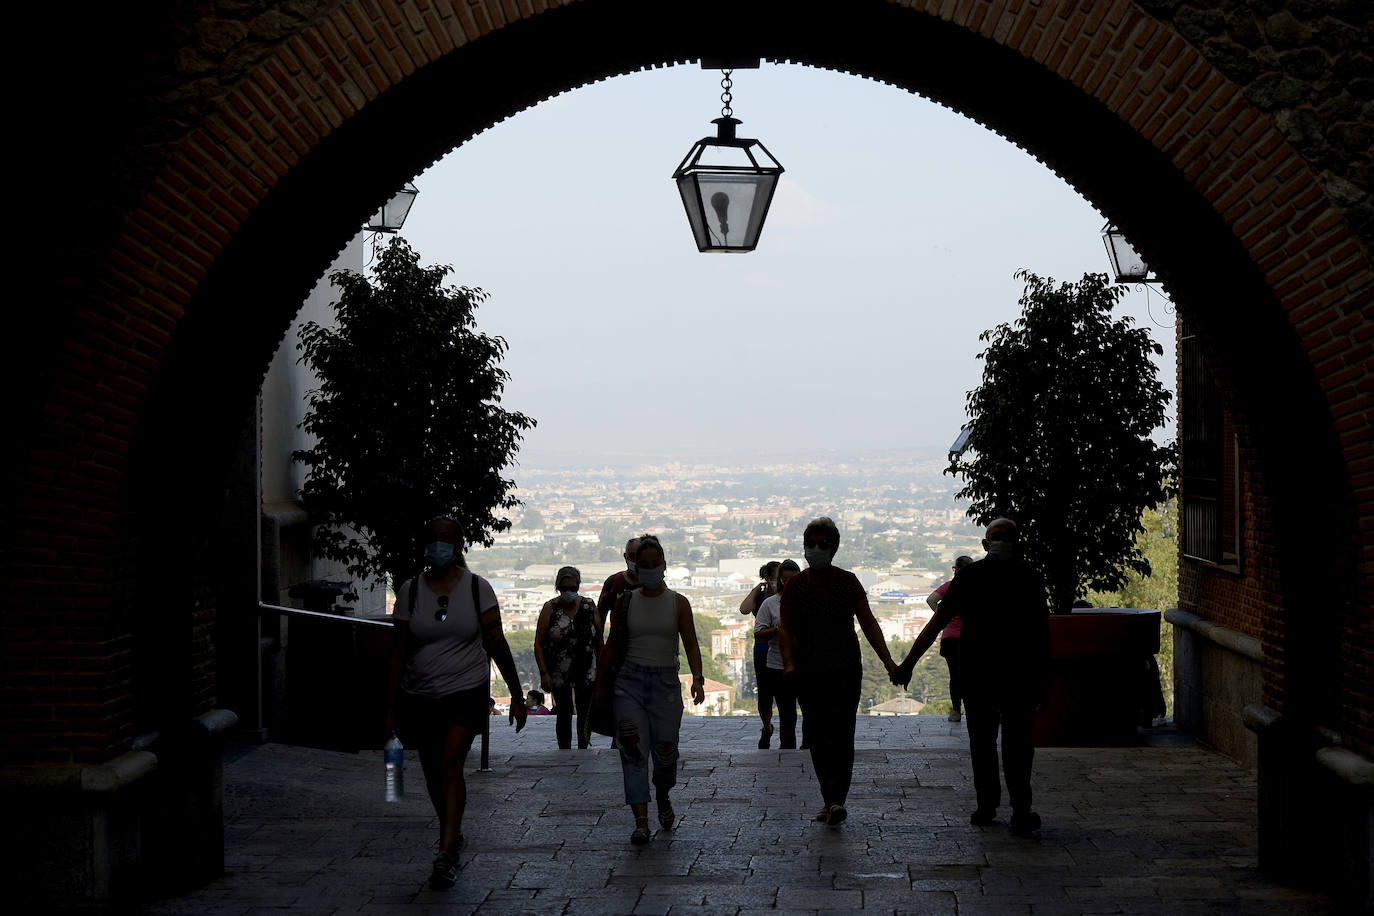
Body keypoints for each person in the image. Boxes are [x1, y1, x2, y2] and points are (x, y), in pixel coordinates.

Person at [384, 516, 528, 889]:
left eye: (446, 538)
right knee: (433, 770)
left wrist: (515, 694)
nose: (438, 545)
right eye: (433, 539)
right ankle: (452, 827)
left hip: (466, 690)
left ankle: (447, 850)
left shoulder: (478, 590)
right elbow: (399, 652)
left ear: (459, 543)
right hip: (421, 694)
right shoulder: (411, 591)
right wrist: (391, 704)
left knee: (450, 763)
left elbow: (496, 643)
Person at [892, 518, 1050, 836]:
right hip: (1017, 674)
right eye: (1000, 536)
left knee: (982, 743)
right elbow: (1040, 635)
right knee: (1018, 744)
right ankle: (1020, 809)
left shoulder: (970, 577)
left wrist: (908, 663)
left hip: (977, 672)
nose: (1001, 541)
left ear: (984, 544)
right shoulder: (1029, 577)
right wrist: (1042, 680)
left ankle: (987, 805)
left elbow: (938, 622)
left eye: (1001, 536)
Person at [779, 517, 898, 827]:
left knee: (843, 734)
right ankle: (830, 798)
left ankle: (836, 800)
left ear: (833, 548)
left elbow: (868, 622)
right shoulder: (795, 586)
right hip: (809, 671)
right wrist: (790, 664)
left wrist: (887, 660)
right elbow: (786, 629)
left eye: (822, 544)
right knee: (818, 735)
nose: (814, 549)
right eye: (810, 543)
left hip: (845, 668)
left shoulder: (849, 582)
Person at [592, 535, 705, 845]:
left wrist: (697, 677)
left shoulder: (678, 603)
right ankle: (641, 821)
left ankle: (663, 793)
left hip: (666, 684)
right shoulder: (625, 601)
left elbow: (691, 642)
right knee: (632, 749)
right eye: (645, 565)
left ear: (665, 565)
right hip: (628, 682)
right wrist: (600, 684)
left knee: (665, 752)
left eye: (656, 564)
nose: (651, 569)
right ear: (636, 568)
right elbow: (613, 644)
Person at [533, 566, 600, 748]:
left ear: (578, 586)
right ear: (558, 587)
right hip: (558, 672)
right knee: (563, 711)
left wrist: (601, 670)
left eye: (573, 588)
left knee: (585, 711)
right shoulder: (550, 608)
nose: (569, 592)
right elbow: (538, 643)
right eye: (565, 588)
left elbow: (599, 641)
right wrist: (543, 672)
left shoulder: (589, 606)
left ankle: (584, 746)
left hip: (587, 670)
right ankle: (564, 750)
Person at [753, 559, 801, 749]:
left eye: (793, 579)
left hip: (805, 664)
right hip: (777, 665)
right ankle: (787, 750)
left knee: (807, 713)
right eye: (785, 579)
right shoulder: (769, 604)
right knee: (787, 712)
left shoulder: (808, 601)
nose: (789, 583)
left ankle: (805, 749)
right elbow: (758, 634)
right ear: (780, 580)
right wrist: (778, 629)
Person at [741, 561, 781, 748]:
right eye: (773, 577)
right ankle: (766, 727)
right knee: (764, 692)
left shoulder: (786, 596)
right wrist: (756, 590)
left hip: (782, 650)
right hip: (762, 650)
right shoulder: (762, 597)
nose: (776, 580)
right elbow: (744, 609)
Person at [929, 555, 973, 723]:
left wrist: (944, 616)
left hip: (950, 638)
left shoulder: (949, 587)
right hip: (973, 637)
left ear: (955, 569)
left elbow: (931, 600)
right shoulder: (977, 587)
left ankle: (956, 711)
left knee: (955, 676)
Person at [597, 537, 642, 628]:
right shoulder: (613, 582)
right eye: (631, 556)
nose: (635, 561)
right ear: (625, 557)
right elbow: (600, 615)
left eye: (638, 556)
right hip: (618, 640)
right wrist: (599, 640)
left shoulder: (653, 584)